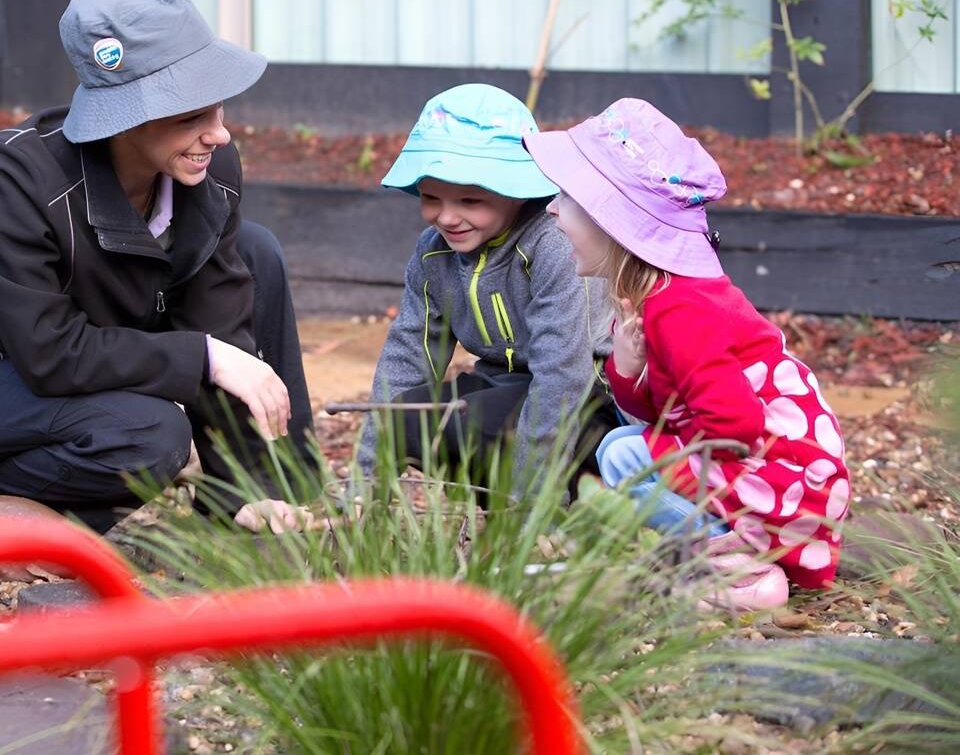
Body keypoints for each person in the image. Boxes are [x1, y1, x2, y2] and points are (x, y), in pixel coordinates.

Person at [0, 0, 317, 535]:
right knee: (148, 438)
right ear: (125, 118)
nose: (220, 135)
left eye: (218, 109)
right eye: (191, 117)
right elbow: (49, 353)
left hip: (72, 368)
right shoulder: (15, 175)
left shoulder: (208, 170)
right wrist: (205, 356)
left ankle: (237, 497)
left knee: (254, 251)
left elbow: (220, 324)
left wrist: (248, 490)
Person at [524, 98, 849, 610]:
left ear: (613, 222)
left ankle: (743, 566)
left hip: (784, 474)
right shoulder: (657, 298)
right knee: (621, 446)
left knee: (626, 456)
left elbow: (735, 424)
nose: (551, 209)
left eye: (567, 197)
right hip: (769, 466)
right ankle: (726, 549)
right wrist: (628, 369)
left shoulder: (680, 308)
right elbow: (675, 410)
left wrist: (662, 449)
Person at [355, 84, 613, 492]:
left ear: (517, 192)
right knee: (405, 418)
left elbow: (563, 377)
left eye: (470, 201)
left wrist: (530, 504)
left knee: (473, 423)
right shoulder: (433, 253)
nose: (447, 217)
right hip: (501, 387)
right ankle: (499, 504)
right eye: (431, 197)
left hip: (587, 401)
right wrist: (362, 484)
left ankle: (549, 505)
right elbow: (407, 355)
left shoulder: (554, 245)